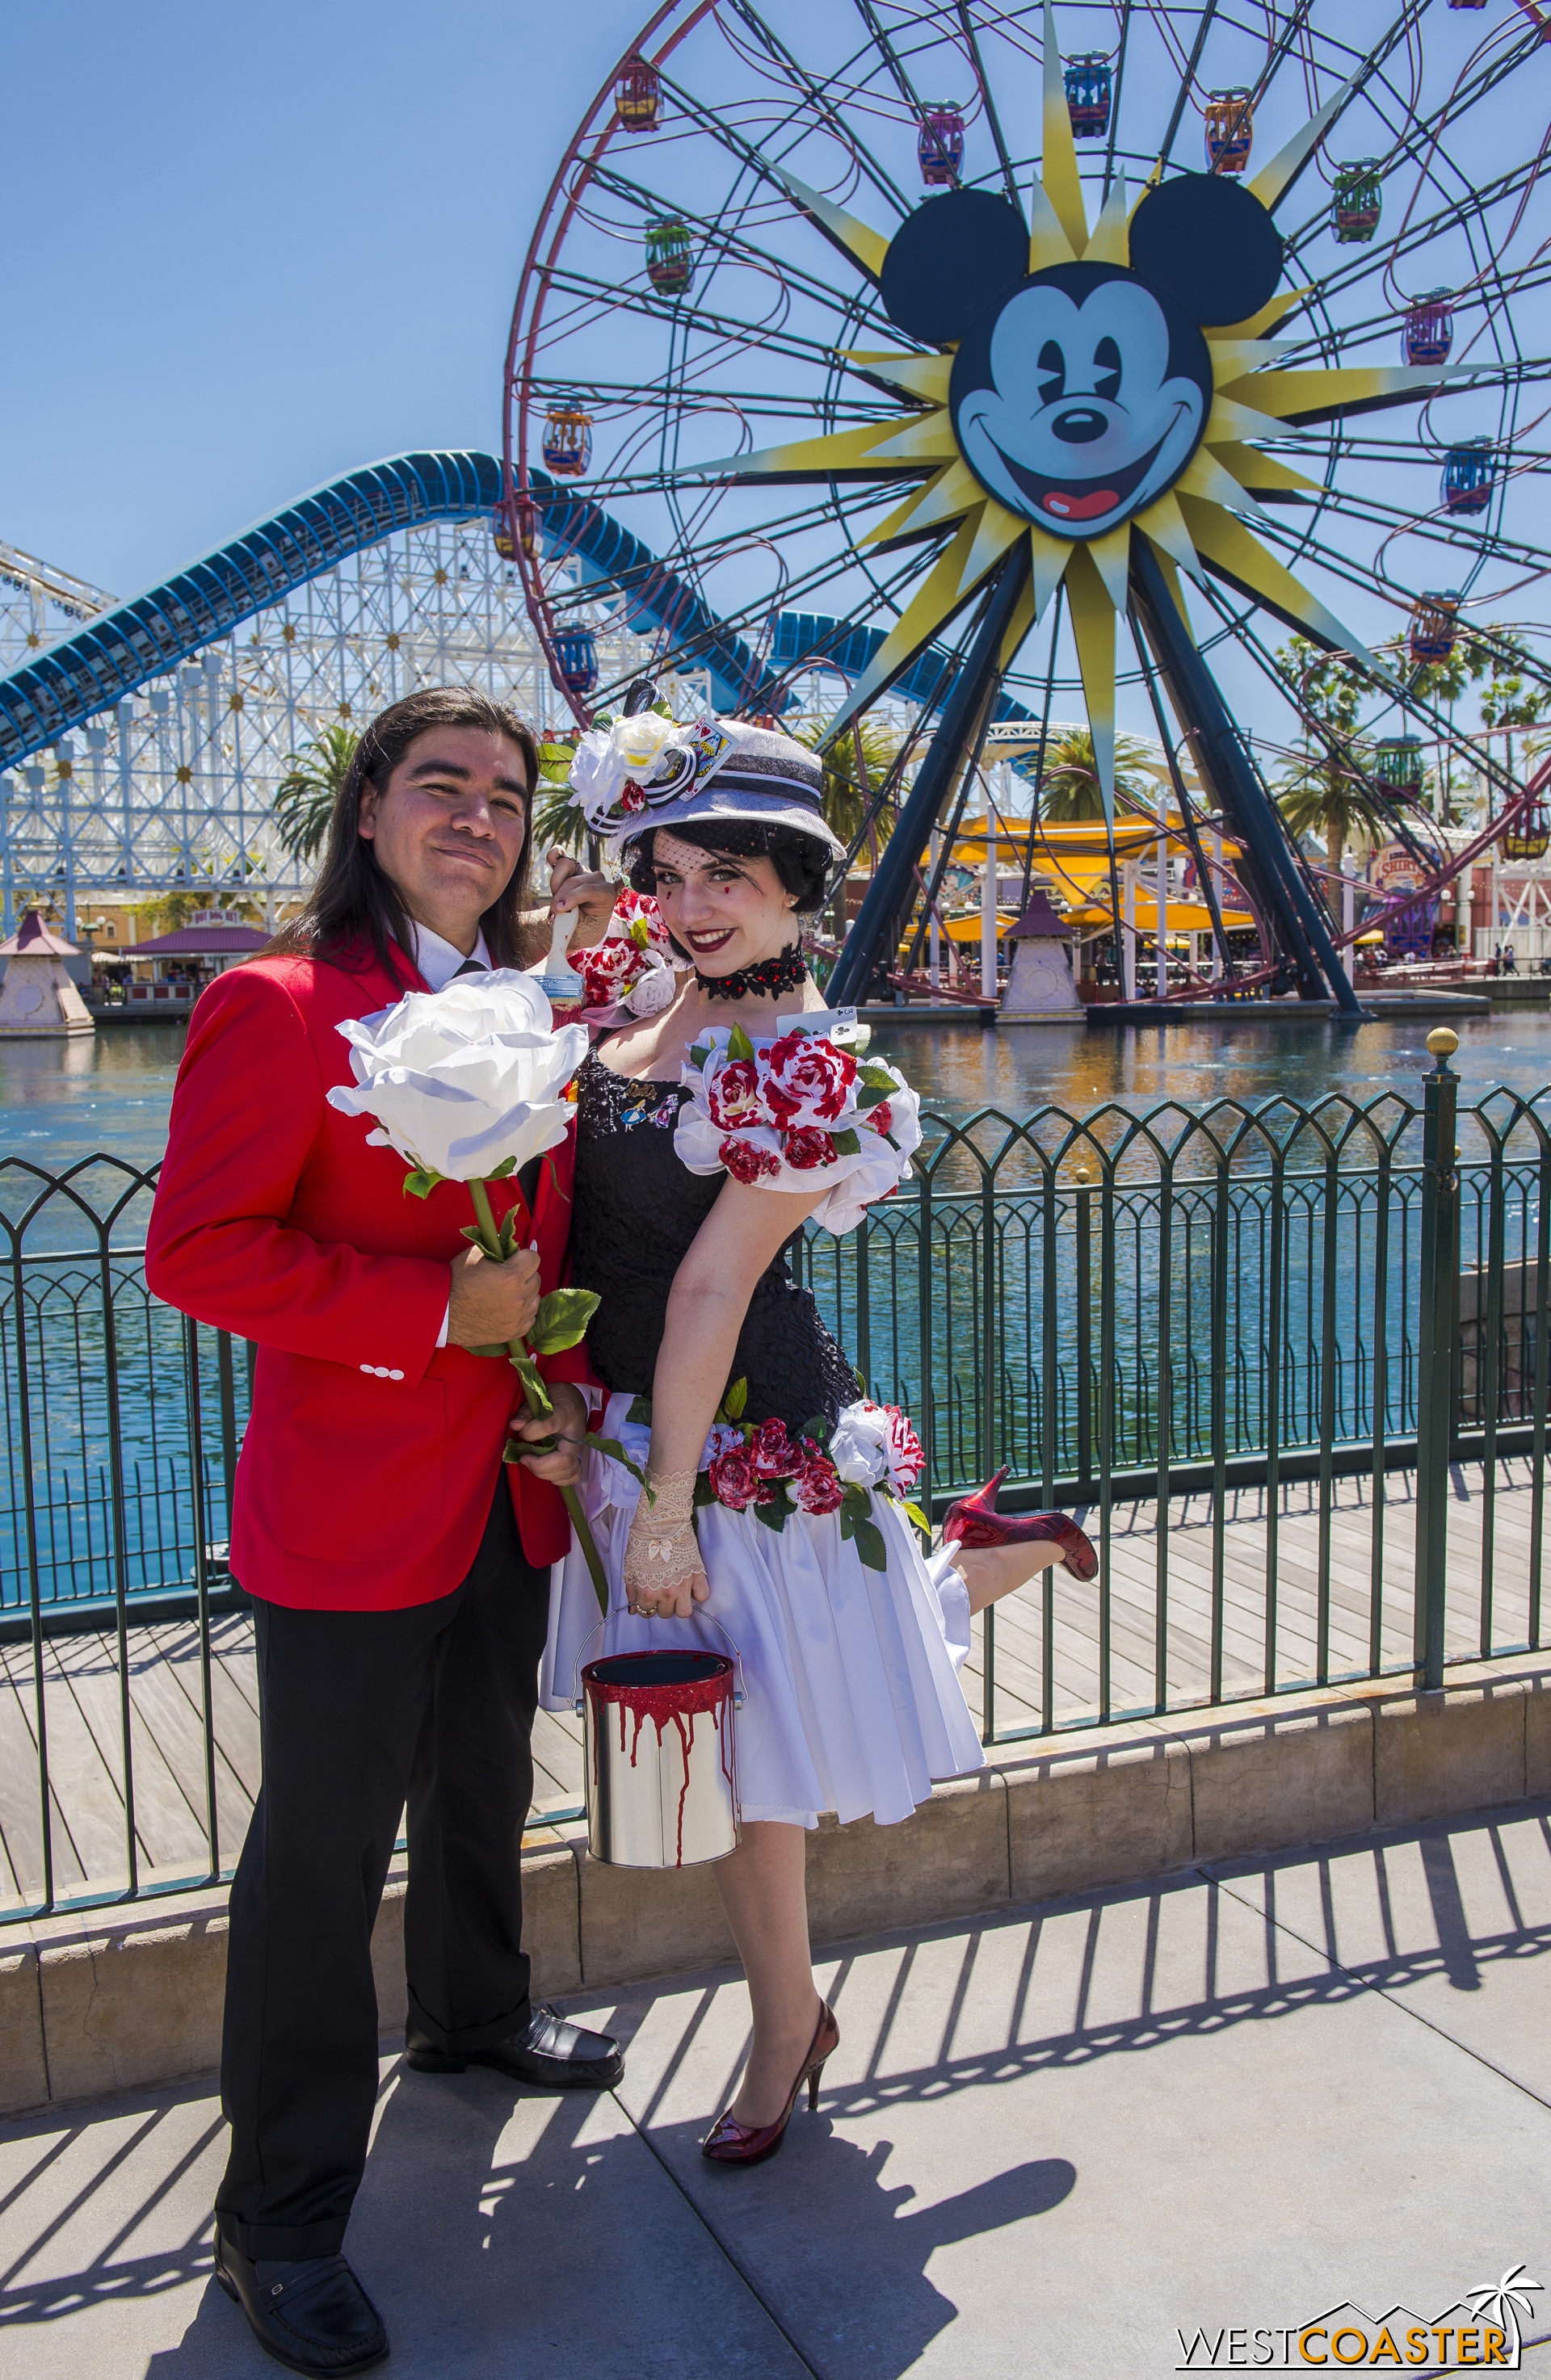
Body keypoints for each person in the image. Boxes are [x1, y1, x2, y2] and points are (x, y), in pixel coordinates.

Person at [541, 709, 1096, 2168]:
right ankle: (984, 1553)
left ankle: (784, 2025)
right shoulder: (629, 994)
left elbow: (716, 1285)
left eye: (732, 874)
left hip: (736, 1444)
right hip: (629, 1426)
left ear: (797, 884)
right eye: (671, 873)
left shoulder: (808, 1069)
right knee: (747, 1726)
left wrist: (664, 1502)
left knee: (749, 1761)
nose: (696, 904)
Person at [145, 686, 616, 2378]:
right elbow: (196, 1253)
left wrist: (558, 1395)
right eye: (442, 786)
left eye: (505, 793)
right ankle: (275, 2220)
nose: (477, 816)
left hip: (502, 1486)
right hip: (348, 1507)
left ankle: (475, 2016)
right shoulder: (277, 1006)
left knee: (484, 1776)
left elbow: (536, 1242)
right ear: (367, 812)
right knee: (319, 1859)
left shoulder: (523, 1008)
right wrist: (433, 1310)